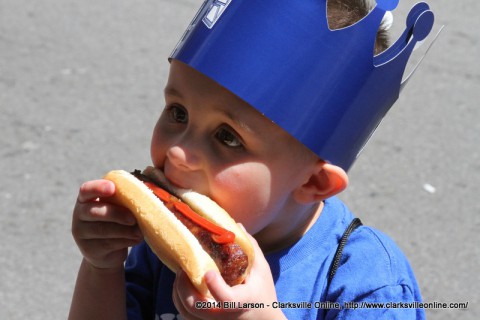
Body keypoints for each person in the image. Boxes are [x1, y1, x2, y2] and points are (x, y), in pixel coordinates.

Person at [69, 0, 436, 319]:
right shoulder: (162, 247)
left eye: (227, 137)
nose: (178, 153)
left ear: (313, 183)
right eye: (178, 112)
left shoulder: (368, 285)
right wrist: (102, 267)